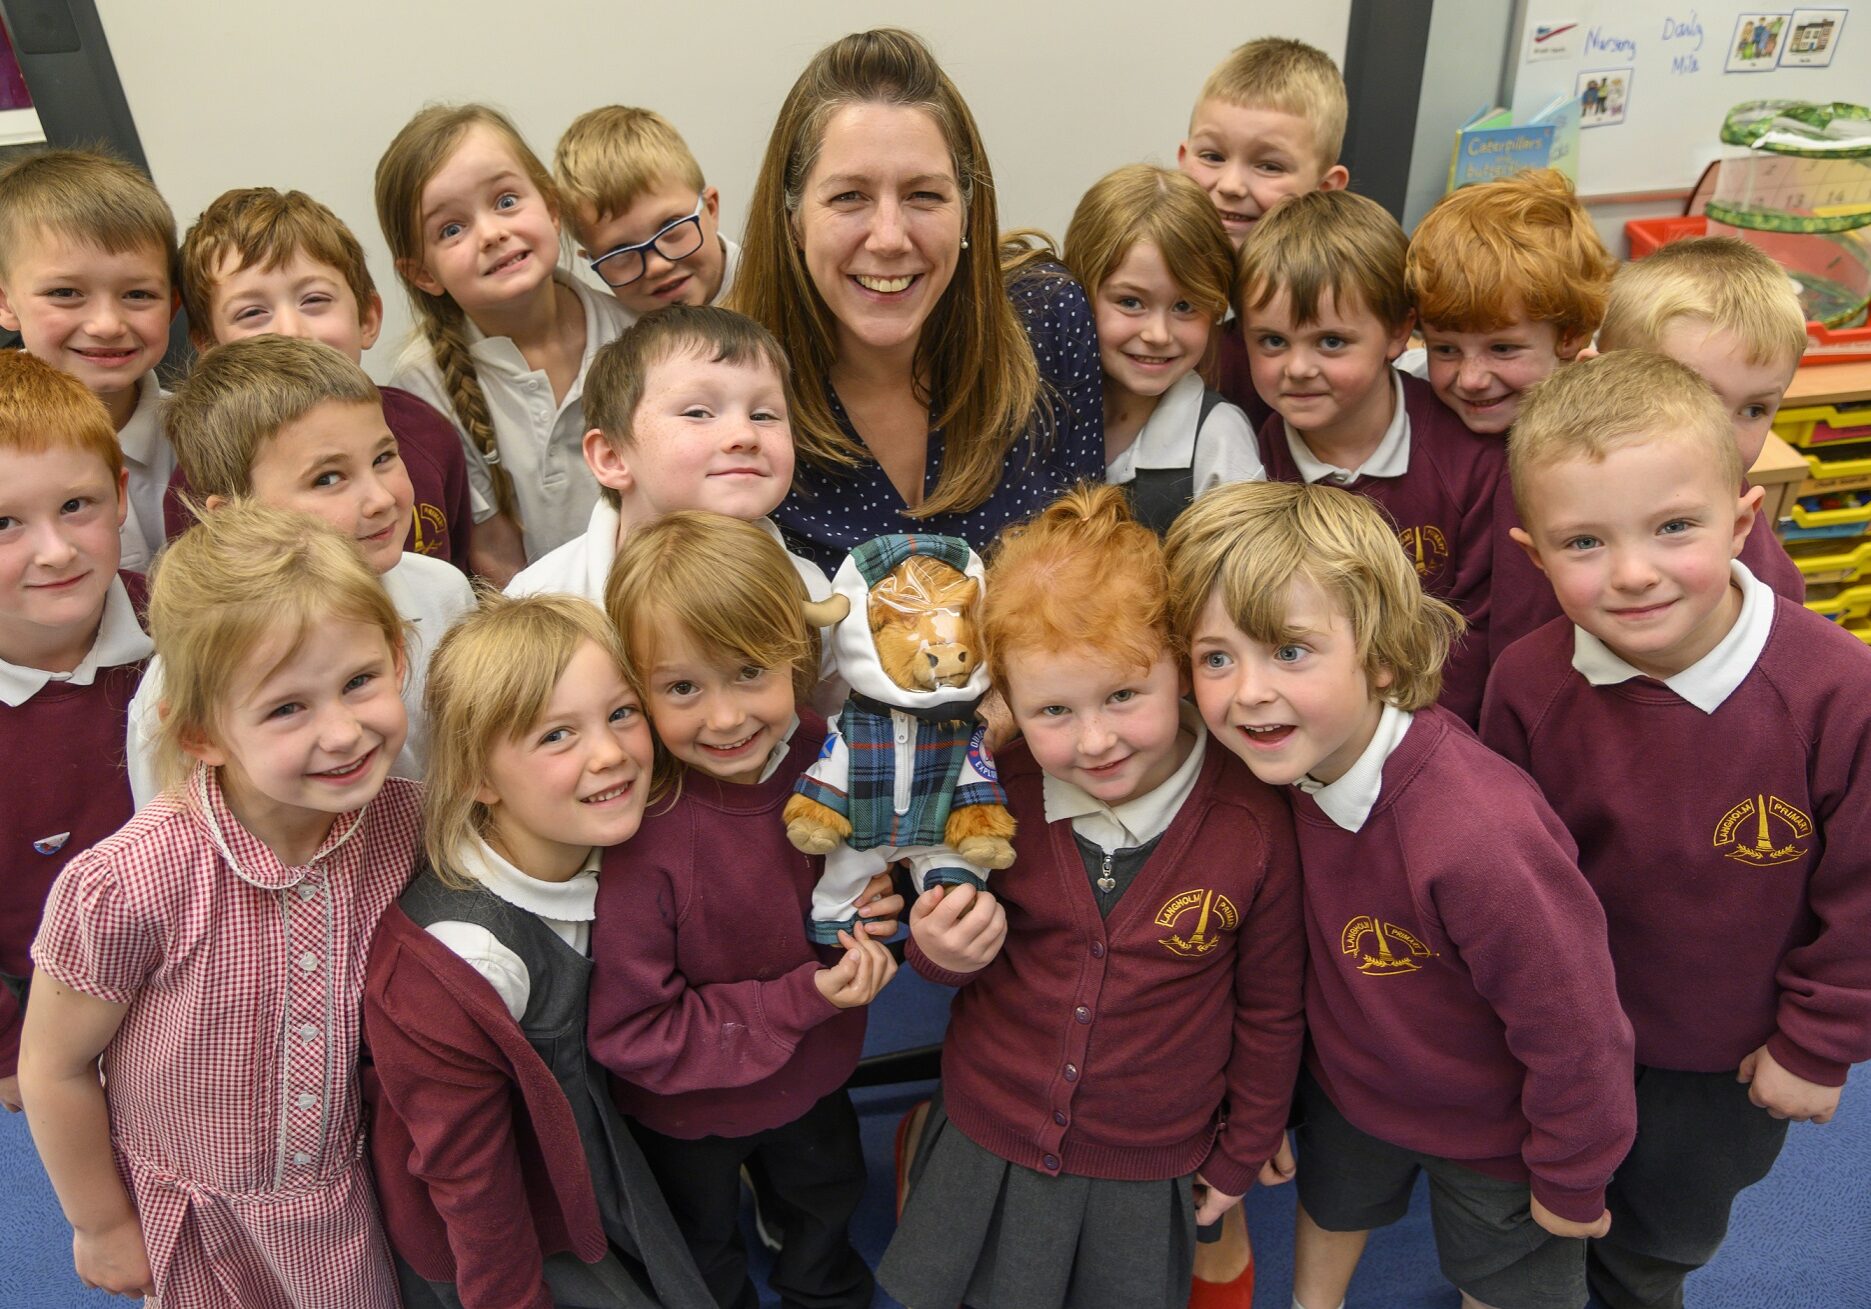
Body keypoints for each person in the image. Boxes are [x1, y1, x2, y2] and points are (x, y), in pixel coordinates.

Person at [1168, 480, 1636, 1309]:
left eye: (1289, 650)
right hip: (1352, 1097)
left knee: (1506, 1286)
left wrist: (1572, 1176)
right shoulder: (1271, 776)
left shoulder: (1477, 834)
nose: (1246, 691)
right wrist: (1262, 1108)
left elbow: (1577, 1026)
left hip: (1495, 1134)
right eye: (1215, 657)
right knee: (1329, 1225)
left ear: (1381, 654)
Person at [1482, 352, 1871, 1309]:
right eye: (1583, 542)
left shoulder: (1835, 689)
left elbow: (1863, 887)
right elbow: (1505, 871)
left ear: (1743, 520)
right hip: (1561, 1037)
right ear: (1534, 554)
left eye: (1673, 527)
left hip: (1723, 1057)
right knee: (1537, 1214)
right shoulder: (1525, 684)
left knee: (1658, 1239)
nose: (1632, 574)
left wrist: (1819, 1041)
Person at [881, 483, 1304, 1309]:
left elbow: (1271, 1008)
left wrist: (1245, 1143)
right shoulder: (991, 793)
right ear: (1006, 699)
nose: (1096, 739)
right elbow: (941, 955)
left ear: (1178, 664)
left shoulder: (1251, 821)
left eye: (1121, 695)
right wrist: (935, 951)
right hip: (990, 1126)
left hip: (1148, 1154)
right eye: (1053, 710)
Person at [20, 503, 420, 1306]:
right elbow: (54, 1065)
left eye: (359, 681)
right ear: (202, 734)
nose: (342, 732)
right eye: (286, 708)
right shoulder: (129, 883)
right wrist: (99, 1223)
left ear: (398, 656)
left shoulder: (408, 825)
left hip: (349, 1203)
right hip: (200, 1218)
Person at [364, 591, 714, 1309]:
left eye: (621, 713)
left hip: (603, 1163)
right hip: (518, 1222)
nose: (611, 752)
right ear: (477, 778)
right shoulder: (464, 961)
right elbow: (473, 1189)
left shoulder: (614, 842)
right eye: (557, 735)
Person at [589, 512, 899, 1309]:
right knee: (702, 1252)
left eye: (749, 672)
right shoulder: (637, 826)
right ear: (635, 687)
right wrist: (805, 996)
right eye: (683, 686)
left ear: (797, 658)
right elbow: (633, 1031)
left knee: (825, 1203)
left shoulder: (831, 755)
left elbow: (856, 883)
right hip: (685, 1109)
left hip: (818, 1072)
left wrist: (875, 907)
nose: (724, 718)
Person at [732, 27, 1103, 565]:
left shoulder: (1049, 321)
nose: (889, 237)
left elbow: (1097, 578)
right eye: (849, 196)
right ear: (793, 220)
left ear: (969, 212)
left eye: (924, 195)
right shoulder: (723, 379)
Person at [123, 334, 472, 807]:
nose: (382, 499)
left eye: (384, 458)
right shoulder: (186, 681)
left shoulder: (444, 591)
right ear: (232, 515)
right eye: (327, 478)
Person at [1242, 188, 1499, 724]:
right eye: (1271, 341)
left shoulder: (1469, 457)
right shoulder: (1253, 464)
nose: (1297, 367)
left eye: (1331, 342)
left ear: (1400, 333)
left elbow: (1478, 633)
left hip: (1441, 725)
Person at [377, 103, 633, 581]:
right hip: (548, 633)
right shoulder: (423, 387)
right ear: (421, 273)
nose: (493, 233)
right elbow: (497, 560)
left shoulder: (640, 332)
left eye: (506, 201)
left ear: (552, 208)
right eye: (451, 229)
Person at [0, 353, 153, 1116]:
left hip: (191, 989)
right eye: (4, 523)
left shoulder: (186, 631)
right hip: (36, 1026)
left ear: (121, 495)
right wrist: (9, 1049)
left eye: (76, 506)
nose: (54, 552)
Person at [172, 185, 473, 567]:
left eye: (314, 300)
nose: (290, 330)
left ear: (367, 318)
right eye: (252, 313)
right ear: (210, 347)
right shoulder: (200, 478)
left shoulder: (429, 433)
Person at [1403, 168, 1615, 661]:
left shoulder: (1617, 434)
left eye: (1502, 348)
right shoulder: (1414, 406)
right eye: (1446, 349)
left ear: (1570, 335)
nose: (1472, 378)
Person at [1597, 235, 1808, 602]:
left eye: (1754, 410)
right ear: (1593, 382)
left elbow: (1782, 609)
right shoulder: (1554, 491)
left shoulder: (1728, 498)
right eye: (1695, 396)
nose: (1723, 439)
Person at [0, 148, 178, 574]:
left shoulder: (205, 431)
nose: (106, 325)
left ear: (173, 305)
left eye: (138, 294)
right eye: (65, 293)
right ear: (5, 302)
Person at [1062, 165, 1262, 534]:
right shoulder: (1042, 411)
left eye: (1185, 306)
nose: (1157, 334)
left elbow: (1242, 585)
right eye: (1130, 302)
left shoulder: (1219, 439)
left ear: (1217, 307)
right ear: (1079, 291)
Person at [1177, 37, 1349, 433]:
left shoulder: (1344, 304)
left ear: (1326, 187)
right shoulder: (1154, 274)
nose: (1232, 185)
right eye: (1213, 157)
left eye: (1269, 166)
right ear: (1184, 161)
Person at [554, 106, 740, 318]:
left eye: (670, 226)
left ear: (711, 209)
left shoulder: (778, 288)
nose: (657, 266)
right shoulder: (620, 339)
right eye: (621, 252)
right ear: (591, 261)